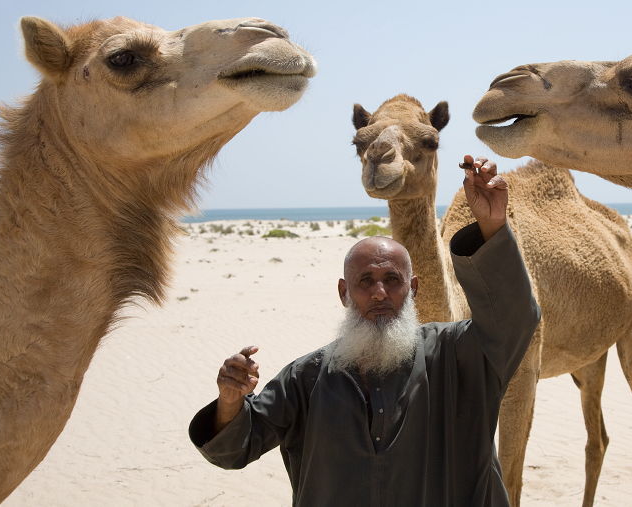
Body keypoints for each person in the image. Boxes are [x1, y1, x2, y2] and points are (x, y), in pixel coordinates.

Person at [189, 155, 540, 506]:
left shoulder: (455, 356)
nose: (379, 293)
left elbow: (512, 318)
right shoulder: (307, 378)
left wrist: (493, 226)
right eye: (365, 281)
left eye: (392, 280)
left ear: (413, 288)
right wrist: (230, 402)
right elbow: (233, 449)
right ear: (344, 292)